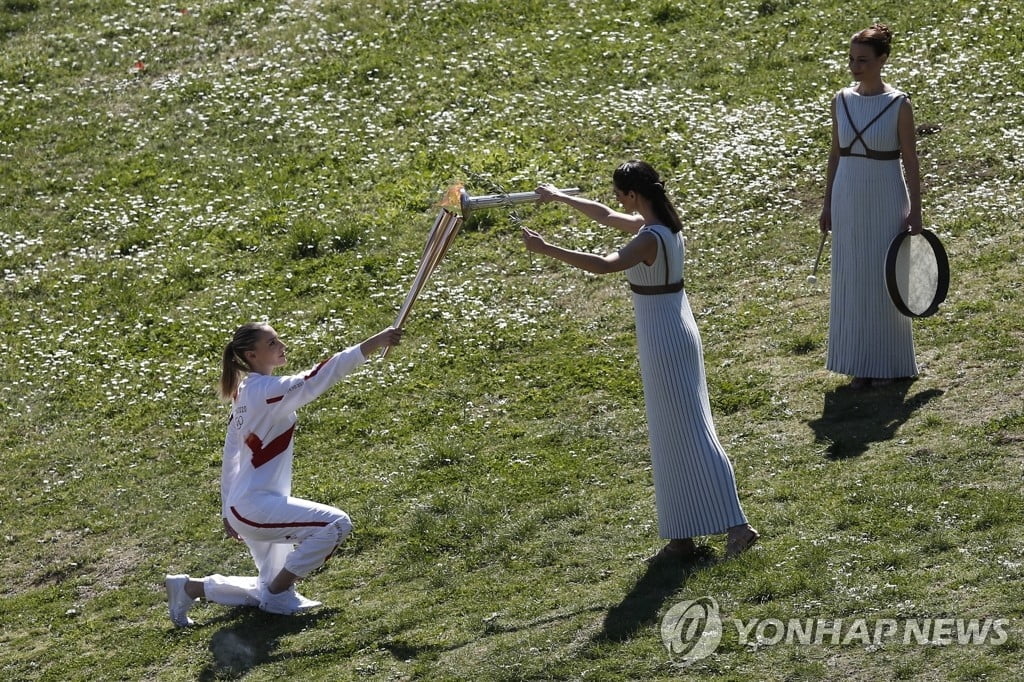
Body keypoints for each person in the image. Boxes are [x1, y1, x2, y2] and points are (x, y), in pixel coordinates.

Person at [522, 160, 758, 562]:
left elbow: (604, 265)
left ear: (634, 195)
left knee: (693, 431)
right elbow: (606, 216)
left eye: (619, 192)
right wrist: (561, 197)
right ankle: (682, 536)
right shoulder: (659, 226)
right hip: (665, 330)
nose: (616, 200)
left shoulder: (650, 237)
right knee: (669, 435)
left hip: (666, 337)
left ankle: (739, 527)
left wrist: (546, 249)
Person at [164, 322, 403, 626]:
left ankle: (189, 587)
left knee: (268, 585)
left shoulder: (246, 392)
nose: (282, 346)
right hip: (256, 506)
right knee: (337, 525)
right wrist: (373, 343)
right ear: (252, 354)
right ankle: (279, 592)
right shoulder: (263, 391)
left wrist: (227, 510)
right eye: (272, 342)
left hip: (250, 505)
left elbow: (231, 454)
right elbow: (315, 379)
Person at [819, 23, 922, 389]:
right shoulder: (841, 100)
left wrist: (916, 210)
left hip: (885, 195)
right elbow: (835, 154)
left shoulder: (899, 104)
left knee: (885, 277)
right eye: (851, 59)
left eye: (863, 60)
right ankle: (859, 363)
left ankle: (890, 364)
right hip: (848, 196)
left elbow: (910, 160)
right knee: (853, 277)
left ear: (882, 59)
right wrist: (827, 202)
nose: (855, 66)